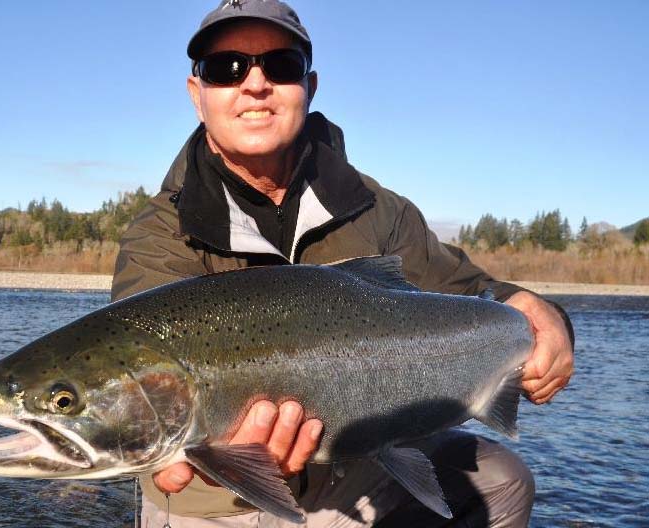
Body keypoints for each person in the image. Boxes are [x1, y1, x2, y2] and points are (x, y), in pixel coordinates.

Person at [110, 1, 574, 526]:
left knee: (501, 482)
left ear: (309, 86)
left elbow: (477, 294)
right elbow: (139, 374)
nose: (255, 84)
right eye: (227, 69)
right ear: (198, 97)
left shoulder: (377, 209)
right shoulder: (158, 235)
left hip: (356, 465)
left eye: (280, 66)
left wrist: (543, 315)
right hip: (216, 496)